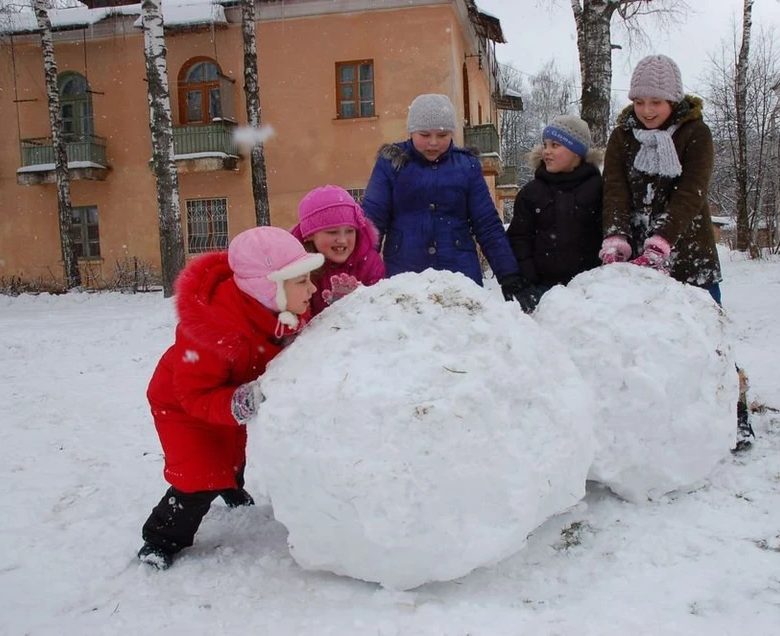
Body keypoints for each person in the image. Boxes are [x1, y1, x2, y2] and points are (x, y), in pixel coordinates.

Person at [137, 226, 324, 569]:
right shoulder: (214, 330)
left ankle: (231, 485)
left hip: (231, 390)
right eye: (301, 281)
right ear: (268, 288)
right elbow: (194, 394)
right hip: (183, 403)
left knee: (231, 453)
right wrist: (239, 401)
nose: (312, 288)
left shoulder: (282, 308)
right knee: (197, 476)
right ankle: (161, 539)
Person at [600, 54, 753, 451]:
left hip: (690, 254)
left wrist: (663, 241)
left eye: (657, 102)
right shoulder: (621, 137)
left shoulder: (695, 133)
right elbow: (615, 190)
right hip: (637, 260)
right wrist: (617, 238)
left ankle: (735, 413)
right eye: (640, 102)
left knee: (709, 338)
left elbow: (692, 192)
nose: (647, 111)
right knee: (650, 343)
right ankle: (666, 421)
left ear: (673, 100)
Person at [361, 93, 538, 313]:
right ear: (411, 131)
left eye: (442, 135)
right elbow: (371, 224)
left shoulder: (467, 166)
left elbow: (487, 224)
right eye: (424, 134)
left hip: (460, 274)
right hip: (405, 275)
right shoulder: (392, 163)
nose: (433, 142)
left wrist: (509, 274)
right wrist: (360, 273)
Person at [506, 115, 603, 296]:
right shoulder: (531, 193)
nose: (546, 152)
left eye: (555, 145)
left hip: (590, 290)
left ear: (577, 151)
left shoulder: (599, 190)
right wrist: (528, 281)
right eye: (545, 145)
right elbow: (519, 238)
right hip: (542, 289)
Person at [290, 185, 385, 317]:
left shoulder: (369, 262)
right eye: (332, 232)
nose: (342, 240)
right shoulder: (299, 269)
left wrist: (357, 302)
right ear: (309, 235)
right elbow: (297, 319)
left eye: (350, 231)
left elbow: (383, 309)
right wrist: (333, 312)